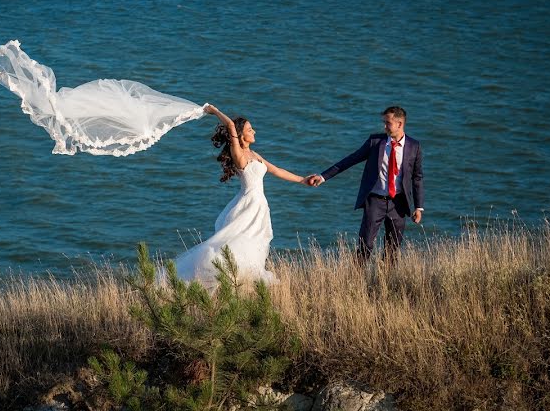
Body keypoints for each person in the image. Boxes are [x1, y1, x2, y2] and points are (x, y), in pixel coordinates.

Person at [173, 104, 312, 287]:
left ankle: (246, 279)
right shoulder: (238, 154)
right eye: (249, 129)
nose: (253, 131)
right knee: (237, 243)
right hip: (247, 204)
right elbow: (230, 125)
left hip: (259, 205)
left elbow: (276, 170)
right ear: (240, 135)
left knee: (256, 242)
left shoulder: (254, 154)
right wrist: (214, 111)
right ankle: (217, 274)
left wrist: (302, 179)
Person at [309, 107, 424, 266]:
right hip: (375, 201)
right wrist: (323, 176)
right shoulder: (375, 142)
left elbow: (417, 177)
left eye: (387, 123)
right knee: (365, 245)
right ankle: (354, 281)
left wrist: (418, 207)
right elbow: (350, 160)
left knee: (392, 249)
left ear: (399, 124)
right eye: (384, 122)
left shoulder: (414, 146)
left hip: (398, 203)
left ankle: (385, 285)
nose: (384, 126)